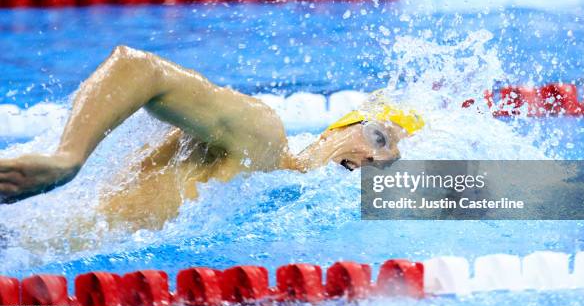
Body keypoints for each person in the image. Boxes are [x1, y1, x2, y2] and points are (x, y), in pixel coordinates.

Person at [0, 46, 423, 229]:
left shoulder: (274, 200)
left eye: (392, 161)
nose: (379, 158)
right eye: (380, 138)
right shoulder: (262, 136)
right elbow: (139, 68)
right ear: (342, 125)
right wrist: (67, 159)